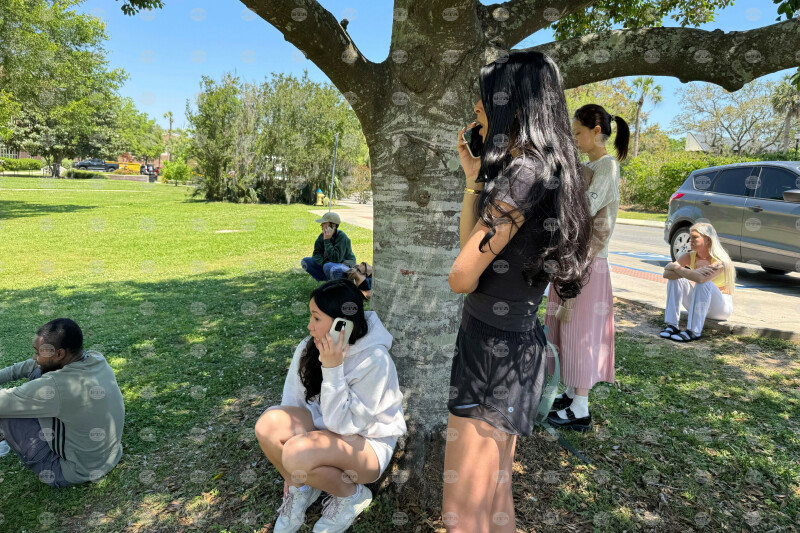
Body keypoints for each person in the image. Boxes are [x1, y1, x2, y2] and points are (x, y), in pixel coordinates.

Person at [445, 50, 594, 532]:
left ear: (513, 105)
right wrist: (474, 182)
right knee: (497, 500)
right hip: (515, 345)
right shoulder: (543, 169)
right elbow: (472, 256)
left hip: (490, 351)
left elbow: (461, 276)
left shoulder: (523, 174)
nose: (477, 109)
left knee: (462, 515)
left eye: (485, 99)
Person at [253, 279, 406, 532]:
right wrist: (293, 466)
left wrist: (332, 368)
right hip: (323, 435)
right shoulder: (310, 346)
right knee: (268, 424)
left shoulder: (375, 360)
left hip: (365, 445)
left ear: (341, 325)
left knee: (295, 453)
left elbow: (345, 426)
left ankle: (351, 496)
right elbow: (291, 405)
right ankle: (300, 488)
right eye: (310, 316)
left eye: (316, 318)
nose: (309, 326)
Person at [544, 104, 630, 432]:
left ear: (596, 131)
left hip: (588, 262)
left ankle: (580, 407)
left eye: (578, 133)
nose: (574, 138)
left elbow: (584, 208)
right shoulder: (587, 165)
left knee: (580, 330)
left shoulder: (607, 165)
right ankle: (570, 392)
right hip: (572, 258)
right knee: (564, 326)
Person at [0, 318, 125, 488]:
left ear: (59, 354)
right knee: (38, 371)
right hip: (110, 457)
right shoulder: (96, 358)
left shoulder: (55, 386)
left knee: (5, 412)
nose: (34, 357)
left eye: (38, 352)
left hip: (67, 471)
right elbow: (32, 366)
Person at [660, 222, 735, 341]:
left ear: (708, 239)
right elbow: (666, 274)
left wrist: (675, 267)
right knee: (675, 279)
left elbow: (701, 279)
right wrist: (684, 270)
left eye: (694, 237)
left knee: (704, 282)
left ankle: (694, 331)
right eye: (690, 237)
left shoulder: (720, 261)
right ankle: (672, 325)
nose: (690, 240)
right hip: (699, 305)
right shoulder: (688, 256)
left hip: (719, 309)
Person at [300, 212, 358, 283]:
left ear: (333, 225)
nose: (321, 225)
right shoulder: (322, 236)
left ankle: (344, 283)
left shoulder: (342, 237)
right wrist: (325, 262)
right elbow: (316, 254)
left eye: (324, 223)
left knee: (328, 266)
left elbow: (336, 259)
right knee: (305, 261)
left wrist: (327, 240)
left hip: (345, 266)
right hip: (329, 264)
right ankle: (326, 282)